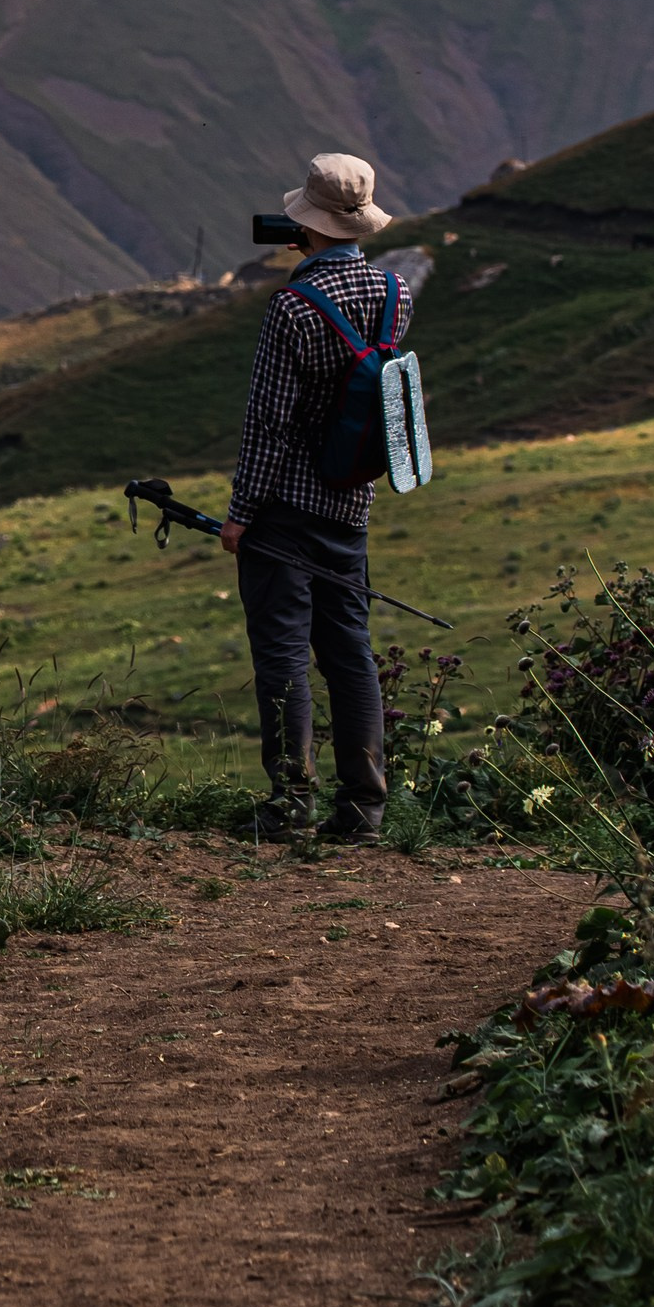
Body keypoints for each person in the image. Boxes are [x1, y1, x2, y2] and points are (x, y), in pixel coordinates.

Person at [220, 150, 409, 843]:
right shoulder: (395, 295)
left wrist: (242, 514)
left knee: (282, 654)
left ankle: (289, 804)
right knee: (350, 652)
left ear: (304, 224)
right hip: (351, 502)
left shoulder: (293, 308)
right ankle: (364, 808)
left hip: (285, 511)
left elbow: (269, 423)